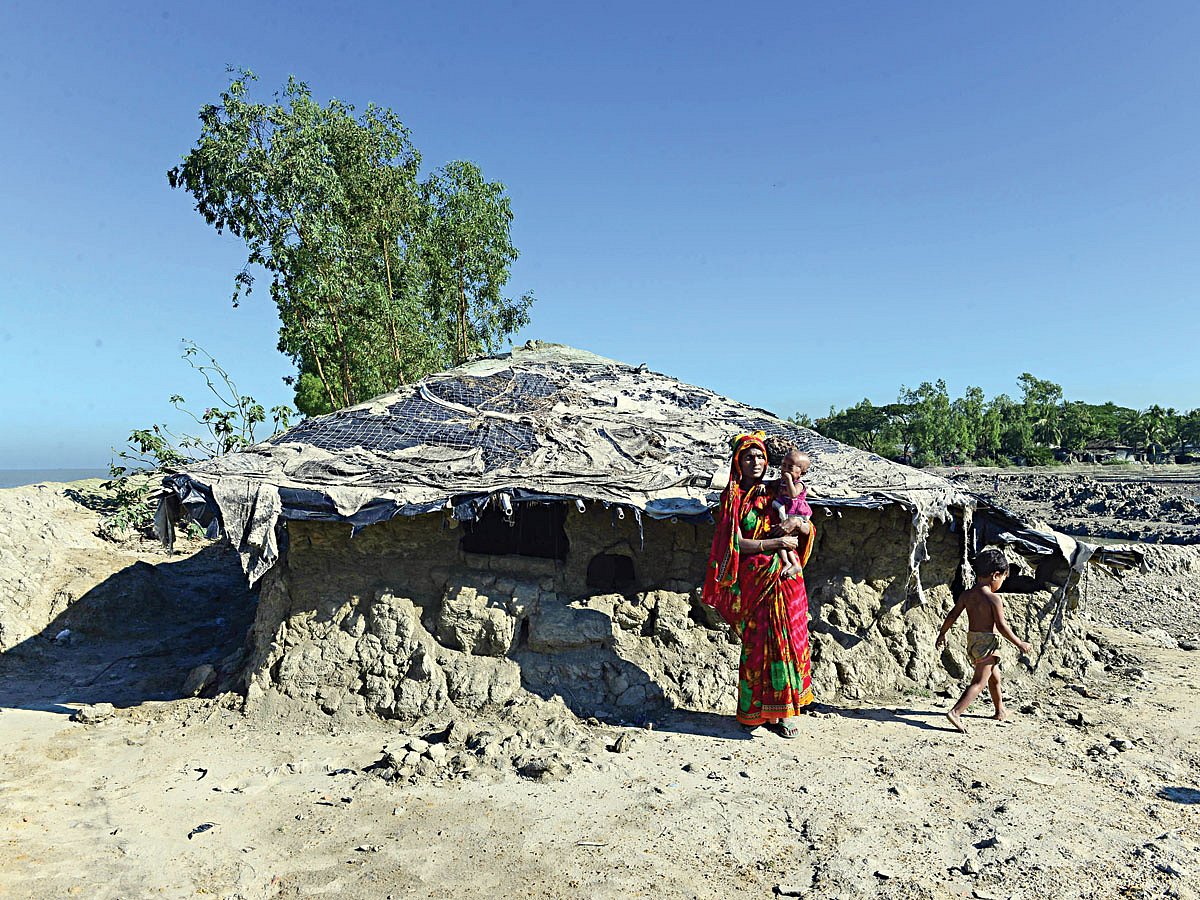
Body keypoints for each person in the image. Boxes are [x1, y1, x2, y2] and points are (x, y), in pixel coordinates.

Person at [703, 433, 816, 738]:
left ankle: (783, 714)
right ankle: (753, 713)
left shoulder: (774, 491)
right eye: (748, 457)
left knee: (788, 648)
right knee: (757, 650)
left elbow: (805, 521)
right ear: (737, 462)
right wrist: (774, 542)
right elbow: (734, 543)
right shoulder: (733, 499)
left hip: (788, 584)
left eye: (760, 457)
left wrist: (798, 525)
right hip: (756, 585)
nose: (755, 462)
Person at [934, 548, 1033, 734]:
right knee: (979, 682)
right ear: (995, 575)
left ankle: (999, 710)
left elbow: (952, 615)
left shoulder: (967, 595)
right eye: (1003, 578)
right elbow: (1002, 627)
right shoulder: (993, 599)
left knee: (994, 677)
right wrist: (1020, 643)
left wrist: (942, 633)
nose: (1002, 582)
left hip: (973, 640)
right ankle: (956, 712)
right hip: (987, 642)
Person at [771, 450, 812, 578]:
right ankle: (787, 562)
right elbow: (771, 484)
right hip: (785, 513)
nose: (785, 470)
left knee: (789, 541)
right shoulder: (781, 481)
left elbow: (793, 494)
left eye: (790, 467)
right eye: (783, 465)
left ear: (802, 472)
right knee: (782, 541)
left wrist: (789, 480)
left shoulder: (799, 484)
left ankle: (794, 563)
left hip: (796, 513)